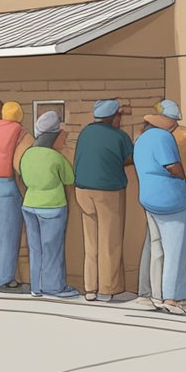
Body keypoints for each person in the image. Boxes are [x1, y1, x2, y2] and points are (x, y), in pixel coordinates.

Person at [138, 101, 186, 304]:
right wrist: (184, 175)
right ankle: (172, 298)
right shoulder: (164, 137)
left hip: (148, 198)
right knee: (176, 250)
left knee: (156, 248)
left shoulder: (142, 139)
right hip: (170, 200)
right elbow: (173, 166)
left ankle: (153, 295)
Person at [75, 99, 133, 302]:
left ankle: (90, 288)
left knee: (90, 243)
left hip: (82, 191)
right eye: (119, 116)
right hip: (108, 191)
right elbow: (129, 158)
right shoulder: (119, 136)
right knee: (110, 241)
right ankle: (106, 289)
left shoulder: (84, 133)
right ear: (112, 116)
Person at [19, 112, 79, 299]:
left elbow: (23, 176)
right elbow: (70, 178)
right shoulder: (55, 157)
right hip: (52, 206)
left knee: (35, 248)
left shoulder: (27, 154)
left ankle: (36, 286)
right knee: (52, 249)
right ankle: (53, 287)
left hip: (29, 205)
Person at [0, 100, 32, 291]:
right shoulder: (18, 130)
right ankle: (3, 278)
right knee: (8, 236)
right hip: (9, 185)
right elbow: (24, 158)